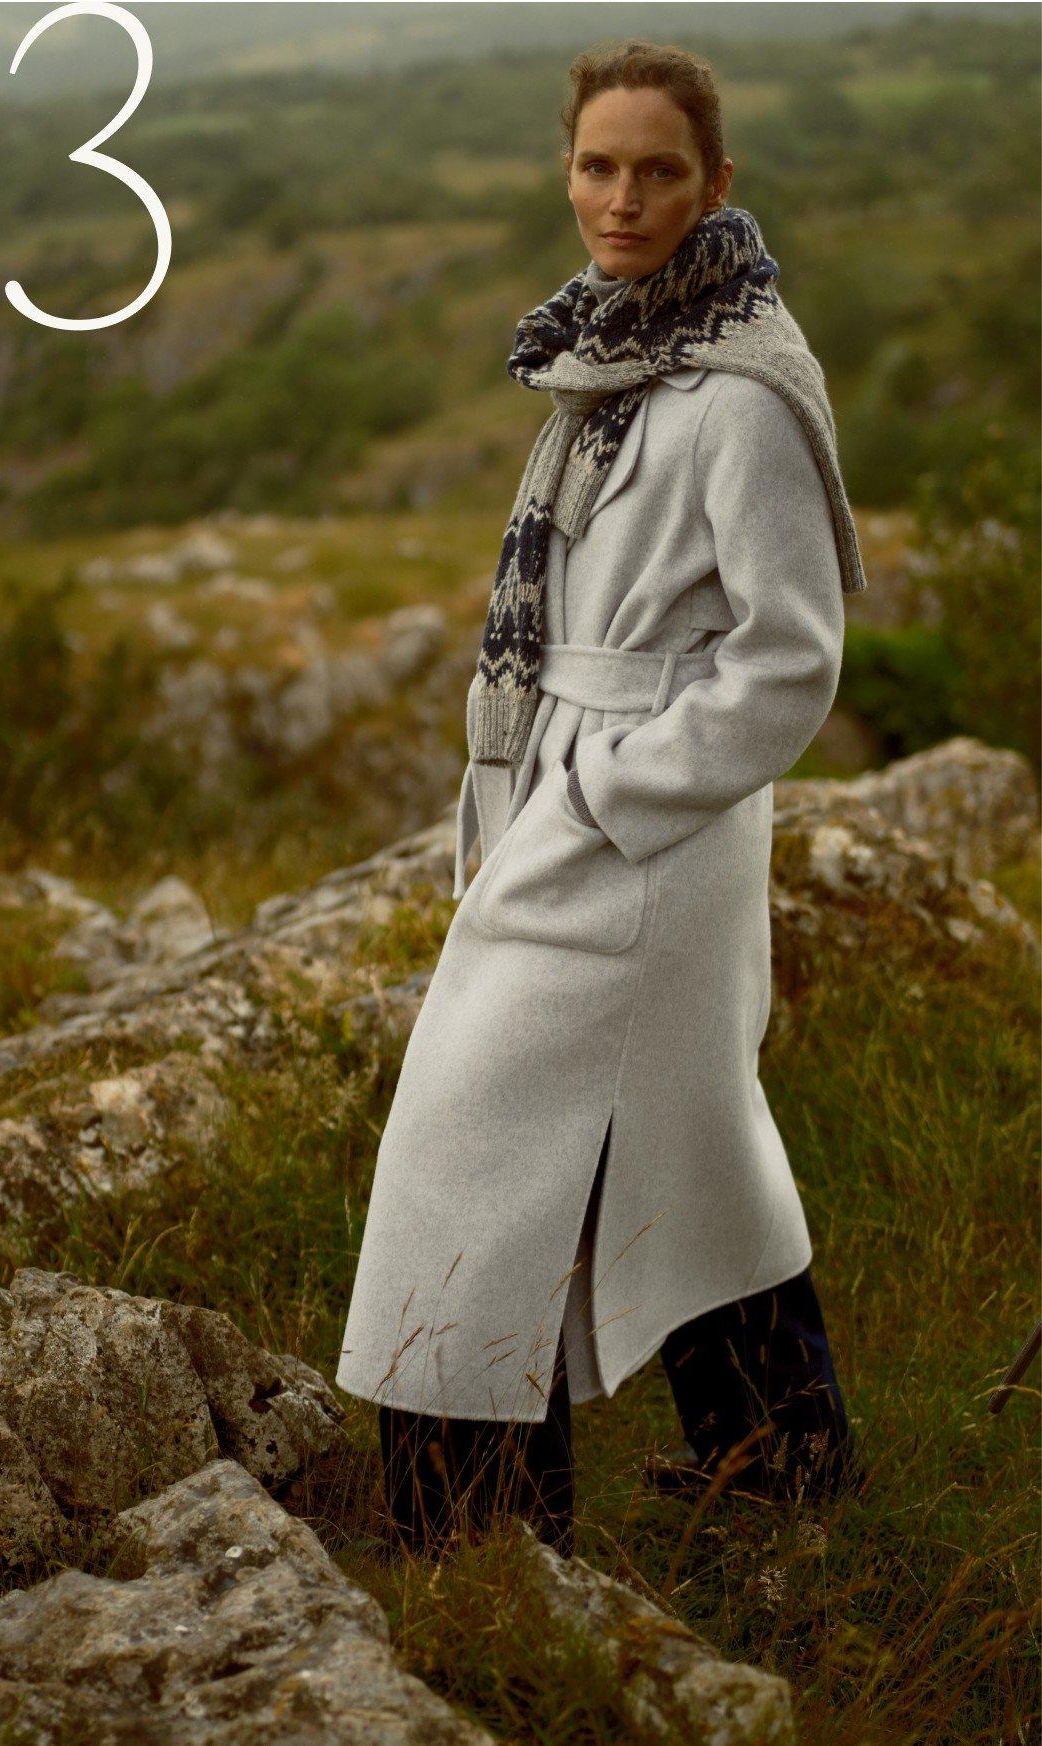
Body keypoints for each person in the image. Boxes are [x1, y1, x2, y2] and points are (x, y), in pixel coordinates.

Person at [336, 39, 868, 1560]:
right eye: (594, 165)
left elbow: (786, 662)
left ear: (714, 184)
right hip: (567, 798)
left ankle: (473, 1537)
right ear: (564, 167)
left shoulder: (743, 386)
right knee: (688, 1153)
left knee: (459, 1145)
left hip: (639, 833)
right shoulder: (613, 355)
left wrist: (605, 798)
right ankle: (789, 1464)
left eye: (654, 170)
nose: (619, 197)